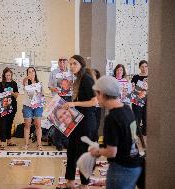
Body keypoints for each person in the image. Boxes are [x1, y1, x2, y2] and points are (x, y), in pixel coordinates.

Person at [90, 75, 142, 189]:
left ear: (102, 94)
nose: (96, 98)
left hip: (121, 169)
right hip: (135, 166)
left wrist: (96, 151)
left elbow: (111, 152)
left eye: (97, 94)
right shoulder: (127, 109)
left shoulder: (112, 118)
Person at [60, 55, 98, 189]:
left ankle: (84, 184)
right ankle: (70, 182)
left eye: (74, 64)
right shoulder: (77, 79)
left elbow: (94, 101)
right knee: (71, 151)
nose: (71, 66)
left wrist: (73, 103)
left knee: (83, 153)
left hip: (87, 121)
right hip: (78, 119)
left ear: (81, 64)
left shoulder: (87, 79)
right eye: (70, 64)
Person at [48, 56, 72, 151]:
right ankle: (58, 143)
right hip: (58, 98)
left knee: (67, 121)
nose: (62, 62)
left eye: (64, 60)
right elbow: (50, 86)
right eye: (60, 60)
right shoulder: (54, 72)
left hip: (69, 98)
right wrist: (54, 89)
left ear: (67, 62)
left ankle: (66, 141)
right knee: (58, 121)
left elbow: (74, 84)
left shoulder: (71, 73)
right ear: (58, 62)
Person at [0, 67, 19, 150]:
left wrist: (12, 93)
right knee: (3, 124)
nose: (8, 77)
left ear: (11, 75)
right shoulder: (0, 84)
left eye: (9, 75)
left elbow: (16, 95)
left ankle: (9, 140)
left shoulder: (14, 84)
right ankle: (2, 142)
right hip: (3, 107)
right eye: (6, 75)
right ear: (4, 75)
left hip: (12, 106)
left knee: (10, 123)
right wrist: (3, 94)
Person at [22, 67, 44, 151]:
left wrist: (41, 96)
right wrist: (27, 77)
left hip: (38, 106)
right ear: (27, 73)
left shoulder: (39, 83)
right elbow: (23, 82)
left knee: (38, 125)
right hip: (27, 106)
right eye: (29, 72)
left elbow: (42, 94)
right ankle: (26, 144)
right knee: (27, 125)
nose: (31, 73)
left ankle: (39, 145)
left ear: (35, 72)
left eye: (33, 71)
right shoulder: (26, 82)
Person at [131, 60, 148, 144]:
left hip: (148, 98)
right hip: (137, 97)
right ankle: (137, 132)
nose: (144, 68)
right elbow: (132, 88)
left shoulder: (151, 76)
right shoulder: (136, 77)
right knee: (137, 116)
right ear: (139, 67)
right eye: (142, 66)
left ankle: (145, 131)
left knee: (146, 115)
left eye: (145, 66)